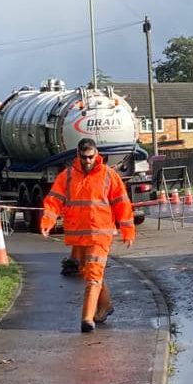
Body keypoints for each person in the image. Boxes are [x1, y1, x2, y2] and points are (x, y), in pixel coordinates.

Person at [41, 138, 135, 332]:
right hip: (79, 236)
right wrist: (47, 222)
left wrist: (128, 230)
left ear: (97, 154)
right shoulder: (67, 176)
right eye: (84, 157)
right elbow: (54, 200)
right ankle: (106, 306)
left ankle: (87, 319)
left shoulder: (109, 176)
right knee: (89, 272)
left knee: (93, 275)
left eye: (91, 157)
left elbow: (122, 204)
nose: (88, 161)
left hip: (101, 234)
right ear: (78, 155)